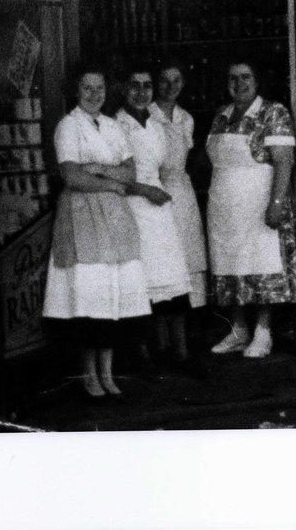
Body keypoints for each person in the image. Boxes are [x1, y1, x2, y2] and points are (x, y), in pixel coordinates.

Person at [42, 63, 151, 401]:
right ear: (76, 91)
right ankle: (88, 374)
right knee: (88, 297)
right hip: (82, 216)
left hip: (114, 219)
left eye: (99, 88)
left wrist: (99, 170)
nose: (93, 95)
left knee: (112, 295)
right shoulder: (68, 126)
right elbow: (72, 178)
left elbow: (131, 173)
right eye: (87, 88)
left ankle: (107, 371)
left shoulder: (112, 125)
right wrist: (112, 181)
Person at [206, 59, 296, 359]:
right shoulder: (222, 114)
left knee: (262, 268)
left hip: (259, 204)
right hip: (224, 208)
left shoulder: (273, 112)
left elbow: (284, 161)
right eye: (233, 78)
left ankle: (263, 332)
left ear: (258, 81)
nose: (239, 83)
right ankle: (238, 330)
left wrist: (276, 205)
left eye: (246, 77)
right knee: (231, 267)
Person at [115, 63, 200, 374]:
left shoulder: (153, 123)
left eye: (146, 85)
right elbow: (109, 173)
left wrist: (159, 191)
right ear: (124, 90)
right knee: (143, 286)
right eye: (134, 85)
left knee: (174, 284)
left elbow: (166, 164)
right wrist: (143, 190)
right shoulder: (117, 125)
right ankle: (145, 357)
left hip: (161, 208)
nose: (141, 91)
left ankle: (180, 353)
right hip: (133, 207)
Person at [150, 58, 208, 311]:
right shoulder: (147, 115)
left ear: (183, 84)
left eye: (176, 81)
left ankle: (187, 317)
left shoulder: (186, 118)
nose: (170, 86)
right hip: (155, 189)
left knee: (187, 251)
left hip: (182, 191)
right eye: (164, 80)